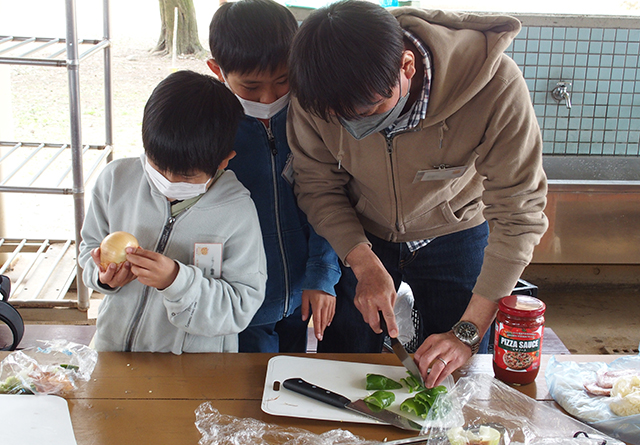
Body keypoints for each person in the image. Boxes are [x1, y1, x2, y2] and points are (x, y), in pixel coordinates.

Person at [287, 1, 548, 385]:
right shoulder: (315, 90)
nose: (356, 129)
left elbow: (519, 214)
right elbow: (316, 184)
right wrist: (361, 260)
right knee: (346, 361)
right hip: (363, 230)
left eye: (371, 110)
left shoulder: (494, 85)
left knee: (458, 371)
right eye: (338, 120)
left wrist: (468, 331)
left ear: (406, 66)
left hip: (456, 228)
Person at [78, 70, 267, 353]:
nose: (168, 182)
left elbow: (240, 305)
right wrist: (102, 274)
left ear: (224, 161)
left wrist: (177, 282)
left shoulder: (236, 211)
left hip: (192, 366)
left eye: (186, 178)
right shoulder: (116, 180)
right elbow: (90, 248)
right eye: (156, 167)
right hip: (114, 350)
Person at [207, 0, 341, 353]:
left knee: (292, 380)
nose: (268, 97)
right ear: (217, 71)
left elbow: (332, 201)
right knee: (249, 389)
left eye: (283, 81)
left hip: (304, 293)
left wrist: (322, 273)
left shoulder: (314, 119)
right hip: (239, 303)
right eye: (250, 87)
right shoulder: (209, 131)